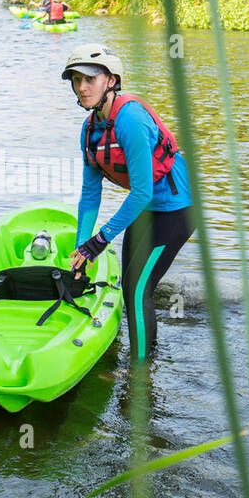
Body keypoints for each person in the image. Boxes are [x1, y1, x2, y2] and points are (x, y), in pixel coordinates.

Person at [63, 44, 193, 361]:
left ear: (111, 80)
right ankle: (141, 353)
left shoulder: (130, 119)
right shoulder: (91, 128)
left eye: (90, 79)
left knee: (138, 291)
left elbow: (141, 192)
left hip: (176, 213)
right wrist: (83, 248)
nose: (82, 87)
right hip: (146, 211)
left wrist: (101, 240)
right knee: (129, 285)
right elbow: (90, 192)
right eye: (76, 79)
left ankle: (141, 371)